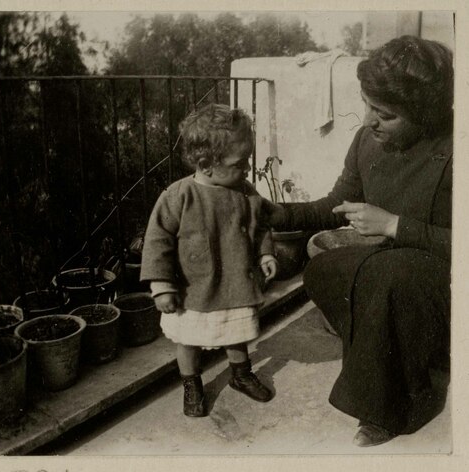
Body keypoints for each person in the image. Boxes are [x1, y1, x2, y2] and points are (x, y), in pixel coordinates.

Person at [265, 35, 453, 446]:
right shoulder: (368, 139)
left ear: (423, 115)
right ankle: (393, 353)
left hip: (444, 273)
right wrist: (276, 213)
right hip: (394, 266)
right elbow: (337, 203)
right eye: (367, 104)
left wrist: (393, 226)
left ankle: (396, 407)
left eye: (385, 114)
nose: (368, 119)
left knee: (389, 276)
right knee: (322, 270)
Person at [140, 103, 278, 417]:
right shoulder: (179, 196)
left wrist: (266, 252)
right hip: (193, 291)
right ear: (207, 164)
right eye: (239, 163)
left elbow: (260, 225)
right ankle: (192, 384)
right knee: (188, 341)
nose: (246, 168)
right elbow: (157, 239)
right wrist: (161, 284)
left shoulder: (244, 192)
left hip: (233, 284)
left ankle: (240, 374)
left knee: (236, 332)